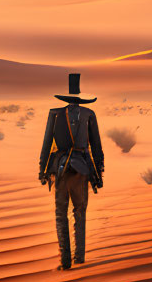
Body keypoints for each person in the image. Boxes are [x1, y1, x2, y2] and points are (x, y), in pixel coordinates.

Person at [38, 72, 105, 270]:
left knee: (61, 214)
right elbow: (96, 146)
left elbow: (46, 144)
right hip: (82, 168)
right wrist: (98, 173)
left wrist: (42, 170)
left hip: (59, 169)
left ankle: (65, 261)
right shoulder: (88, 115)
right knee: (80, 212)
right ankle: (80, 257)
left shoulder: (55, 114)